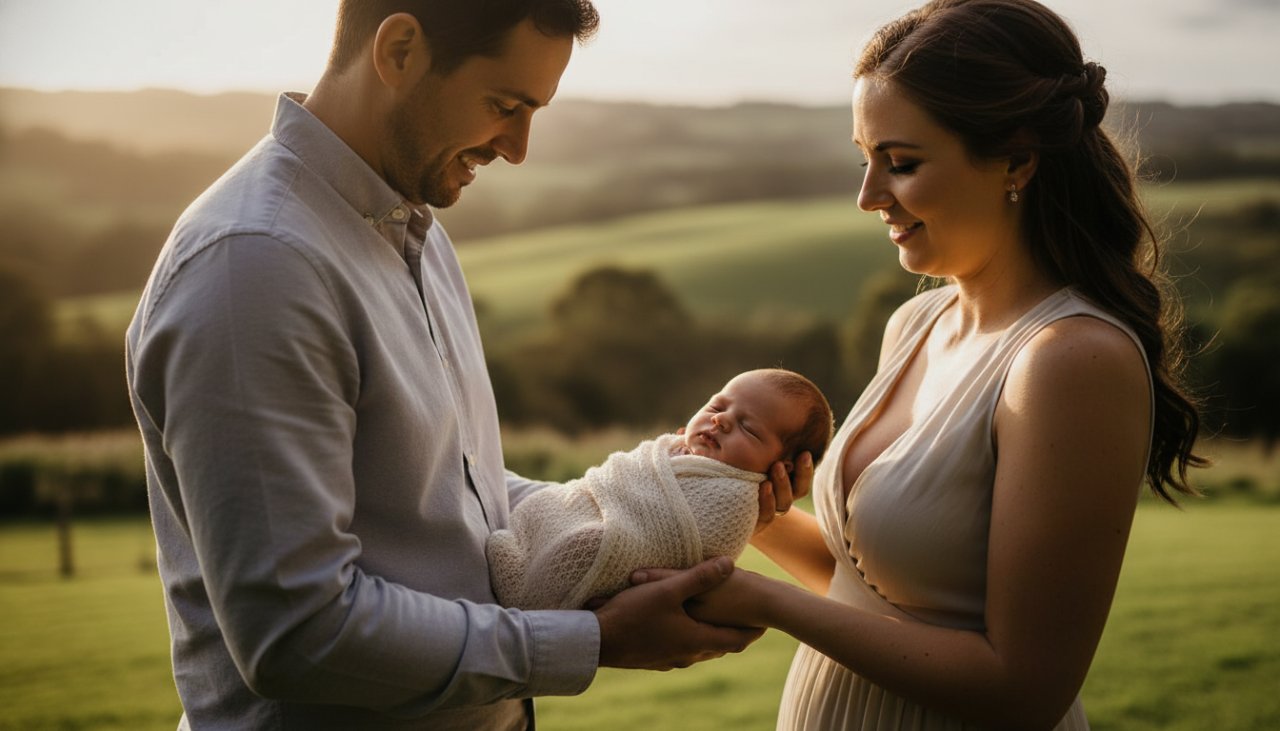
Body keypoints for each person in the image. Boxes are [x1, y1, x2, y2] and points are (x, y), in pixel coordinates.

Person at [124, 3, 809, 729]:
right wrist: (593, 640)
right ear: (399, 50)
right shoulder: (256, 267)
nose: (516, 147)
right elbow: (298, 632)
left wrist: (670, 499)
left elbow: (459, 490)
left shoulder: (414, 230)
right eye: (505, 105)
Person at [633, 1, 1207, 729]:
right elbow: (872, 594)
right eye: (865, 159)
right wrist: (742, 504)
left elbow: (1025, 688)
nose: (868, 196)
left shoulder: (1069, 360)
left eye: (901, 163)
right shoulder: (915, 323)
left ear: (1018, 160)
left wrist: (764, 601)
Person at [488, 368, 834, 610]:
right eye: (717, 406)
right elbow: (625, 472)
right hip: (590, 505)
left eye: (748, 428)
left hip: (621, 541)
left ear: (781, 470)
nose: (721, 420)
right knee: (556, 508)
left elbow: (701, 540)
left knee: (585, 543)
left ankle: (531, 591)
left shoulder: (738, 499)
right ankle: (525, 552)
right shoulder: (675, 449)